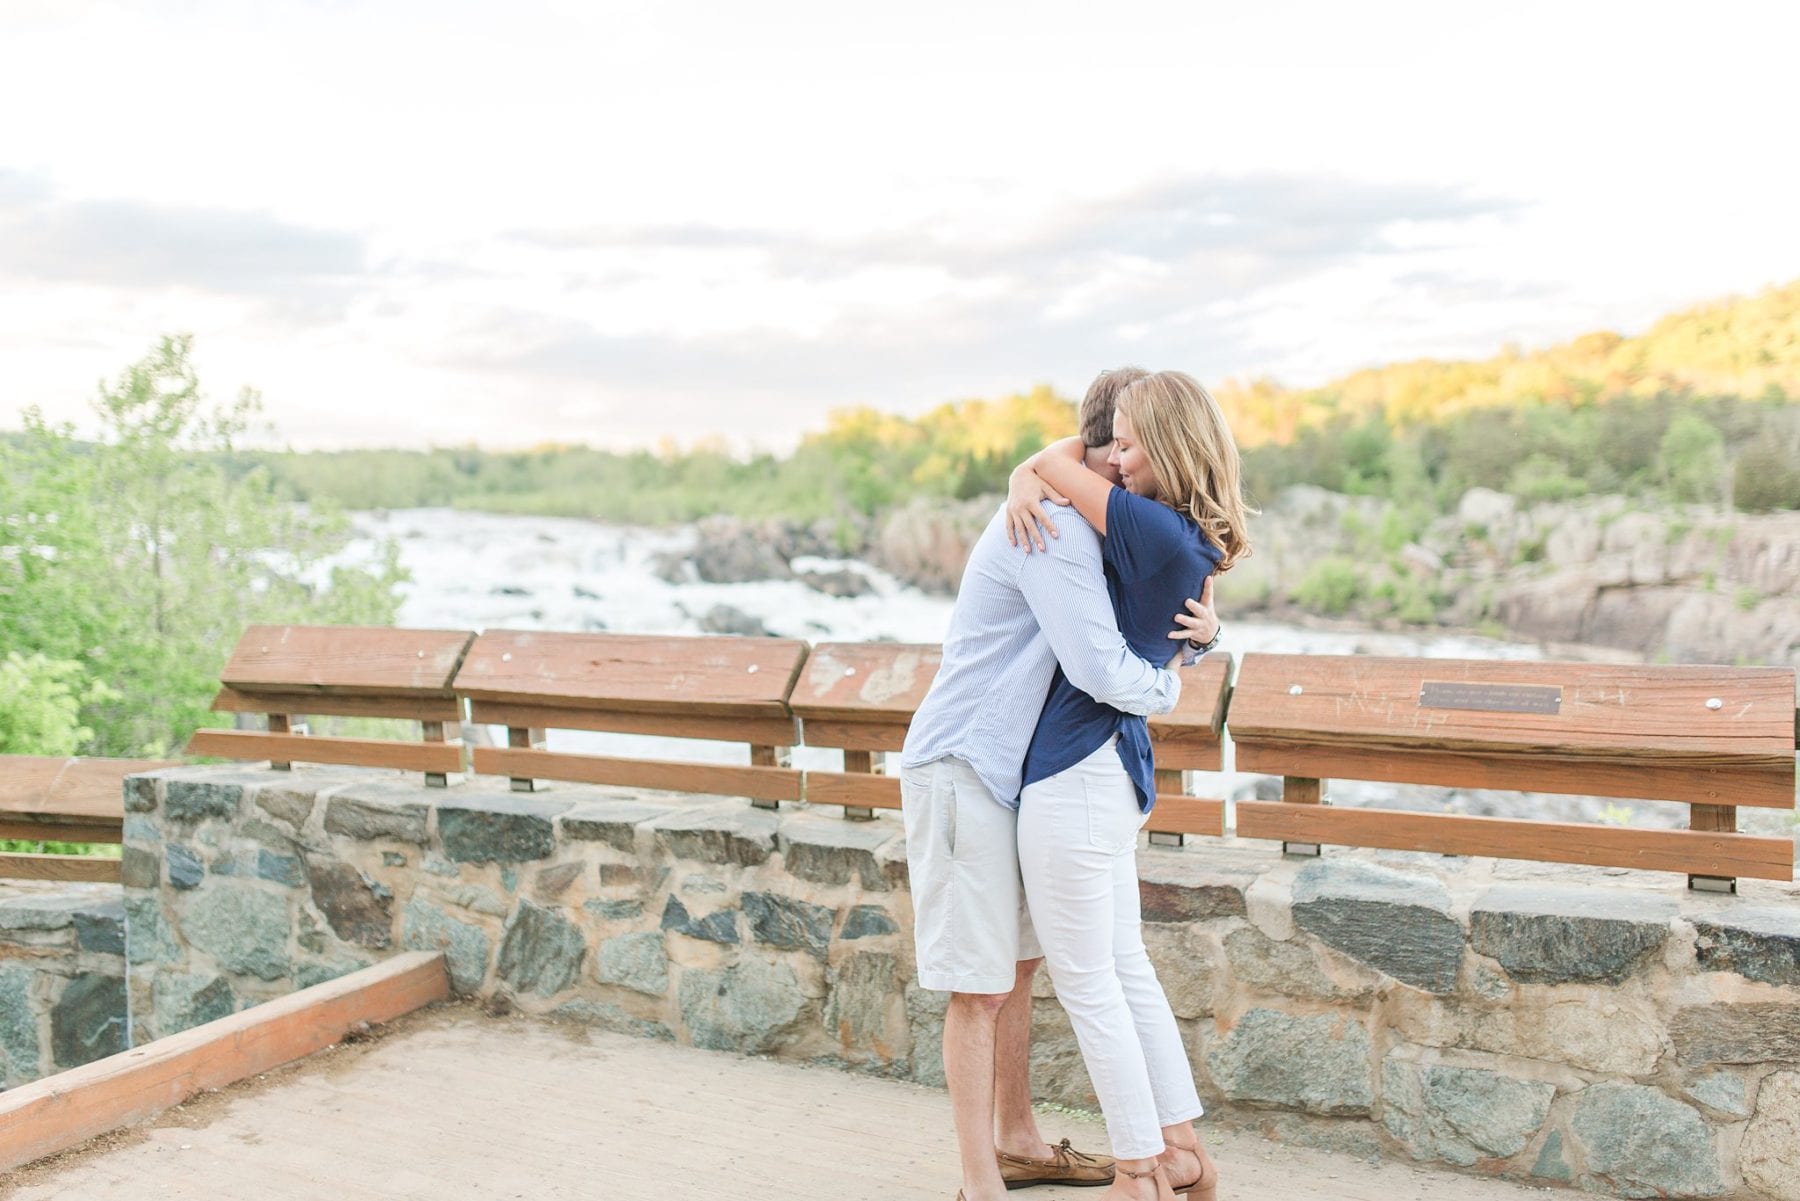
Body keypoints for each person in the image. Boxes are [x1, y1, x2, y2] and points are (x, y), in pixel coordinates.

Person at [900, 369, 1218, 1201]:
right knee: (980, 984)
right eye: (1110, 448)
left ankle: (1018, 1139)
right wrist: (1173, 683)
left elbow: (1164, 597)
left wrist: (1204, 637)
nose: (1117, 463)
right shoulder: (1052, 526)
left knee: (1024, 965)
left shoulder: (1094, 522)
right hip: (966, 764)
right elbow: (1099, 665)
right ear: (1098, 451)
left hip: (1020, 774)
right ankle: (983, 1182)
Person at [1001, 370, 1251, 1201]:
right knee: (1123, 966)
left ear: (1173, 446)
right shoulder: (1189, 537)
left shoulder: (1142, 523)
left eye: (1133, 441)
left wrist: (1024, 474)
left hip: (1072, 768)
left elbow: (1048, 457)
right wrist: (1208, 645)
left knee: (1087, 980)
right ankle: (1182, 1151)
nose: (1115, 456)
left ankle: (1138, 1168)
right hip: (1115, 770)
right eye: (1113, 439)